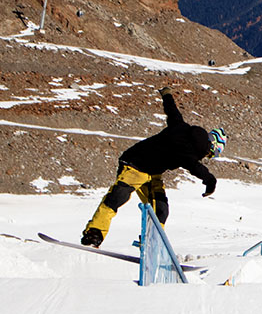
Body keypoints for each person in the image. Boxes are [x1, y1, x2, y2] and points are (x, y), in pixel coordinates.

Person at [80, 86, 224, 247]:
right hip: (134, 165)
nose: (207, 157)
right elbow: (195, 167)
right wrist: (211, 181)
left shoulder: (181, 127)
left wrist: (167, 95)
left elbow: (172, 111)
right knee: (119, 197)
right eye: (212, 154)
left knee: (160, 209)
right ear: (212, 147)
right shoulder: (190, 153)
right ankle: (94, 233)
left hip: (152, 173)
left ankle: (150, 240)